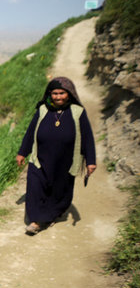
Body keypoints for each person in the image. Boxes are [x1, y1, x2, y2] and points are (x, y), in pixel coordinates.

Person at [16, 76, 96, 235]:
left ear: (69, 94)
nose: (58, 97)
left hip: (65, 161)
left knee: (59, 190)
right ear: (49, 94)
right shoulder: (43, 110)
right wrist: (22, 152)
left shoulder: (77, 112)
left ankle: (51, 214)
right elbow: (30, 132)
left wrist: (90, 161)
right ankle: (35, 221)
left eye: (62, 93)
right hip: (39, 159)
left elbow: (87, 137)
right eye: (54, 93)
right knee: (35, 188)